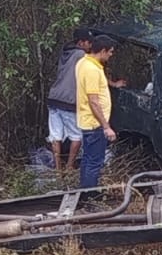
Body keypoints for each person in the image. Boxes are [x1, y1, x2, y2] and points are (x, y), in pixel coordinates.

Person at [46, 27, 94, 171]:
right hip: (68, 101)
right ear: (81, 42)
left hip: (54, 99)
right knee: (77, 136)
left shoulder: (65, 53)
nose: (90, 45)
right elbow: (94, 69)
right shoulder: (81, 55)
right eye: (88, 42)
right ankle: (69, 167)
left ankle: (58, 169)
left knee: (55, 136)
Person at [75, 35, 118, 188]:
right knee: (94, 162)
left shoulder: (83, 62)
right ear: (103, 51)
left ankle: (85, 190)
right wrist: (106, 126)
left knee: (87, 159)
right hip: (94, 124)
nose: (111, 55)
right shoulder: (92, 69)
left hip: (87, 121)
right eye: (110, 52)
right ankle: (89, 195)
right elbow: (93, 100)